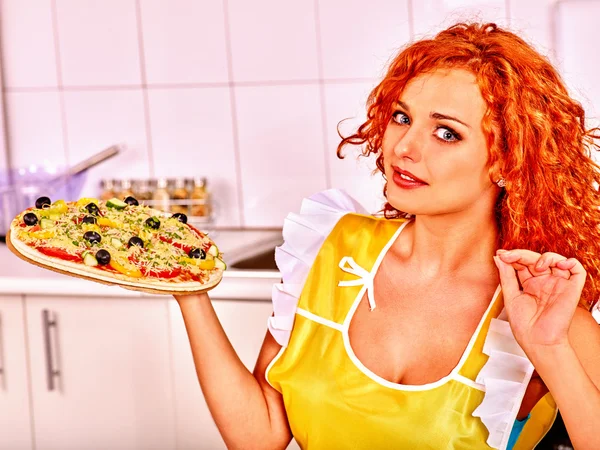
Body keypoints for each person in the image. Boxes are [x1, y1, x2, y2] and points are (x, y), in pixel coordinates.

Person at [175, 22, 600, 449]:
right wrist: (191, 290)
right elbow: (258, 436)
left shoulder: (540, 311)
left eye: (446, 132)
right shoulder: (330, 249)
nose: (403, 146)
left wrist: (550, 349)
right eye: (402, 117)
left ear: (509, 162)